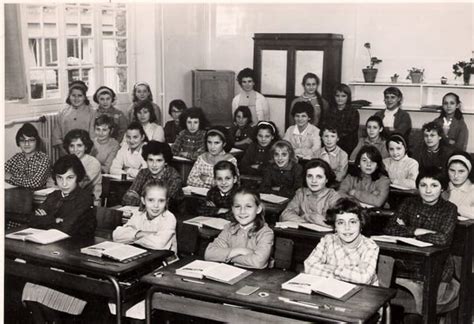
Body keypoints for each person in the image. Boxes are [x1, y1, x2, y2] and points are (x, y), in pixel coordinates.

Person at [23, 155, 99, 323]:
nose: (64, 183)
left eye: (69, 178)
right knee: (27, 286)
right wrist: (54, 220)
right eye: (60, 178)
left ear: (78, 177)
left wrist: (47, 219)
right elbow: (31, 219)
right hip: (52, 253)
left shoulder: (84, 198)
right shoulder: (54, 196)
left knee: (34, 290)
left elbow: (68, 228)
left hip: (74, 263)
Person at [385, 167, 459, 317]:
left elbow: (443, 239)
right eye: (423, 185)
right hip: (407, 261)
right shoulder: (409, 203)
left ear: (443, 187)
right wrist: (417, 231)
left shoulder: (449, 209)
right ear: (418, 186)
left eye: (434, 185)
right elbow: (390, 229)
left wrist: (406, 230)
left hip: (436, 265)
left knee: (424, 304)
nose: (428, 190)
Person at [304, 197, 379, 285]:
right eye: (341, 222)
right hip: (333, 289)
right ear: (335, 226)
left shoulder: (370, 246)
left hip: (364, 294)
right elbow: (309, 266)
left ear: (361, 224)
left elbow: (363, 278)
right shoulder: (327, 241)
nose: (347, 228)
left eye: (353, 222)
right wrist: (349, 273)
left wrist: (331, 268)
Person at [204, 187, 274, 269]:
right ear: (232, 209)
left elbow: (258, 262)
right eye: (237, 206)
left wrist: (226, 256)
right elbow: (209, 253)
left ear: (258, 209)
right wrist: (240, 251)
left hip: (255, 279)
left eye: (248, 206)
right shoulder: (229, 228)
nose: (242, 211)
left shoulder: (265, 233)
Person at [113, 180, 177, 253]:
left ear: (166, 202)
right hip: (141, 255)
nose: (156, 205)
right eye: (151, 200)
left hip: (165, 261)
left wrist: (132, 238)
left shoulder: (169, 218)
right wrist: (141, 233)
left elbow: (158, 244)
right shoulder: (139, 215)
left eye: (161, 201)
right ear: (143, 200)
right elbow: (116, 236)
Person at [122, 141, 183, 209]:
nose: (154, 165)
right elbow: (128, 197)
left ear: (166, 162)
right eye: (150, 160)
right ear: (146, 160)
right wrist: (146, 202)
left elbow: (163, 204)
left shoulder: (174, 178)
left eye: (159, 160)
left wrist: (140, 200)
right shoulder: (143, 173)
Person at [280, 159, 341, 227]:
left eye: (319, 177)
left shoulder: (333, 196)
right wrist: (307, 220)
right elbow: (285, 215)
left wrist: (306, 217)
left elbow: (336, 223)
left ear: (326, 179)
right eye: (309, 176)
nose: (313, 181)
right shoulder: (301, 193)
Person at [52, 81, 96, 156]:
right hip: (66, 152)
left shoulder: (91, 112)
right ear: (69, 96)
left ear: (84, 97)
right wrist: (63, 150)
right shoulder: (63, 112)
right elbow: (57, 135)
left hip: (85, 152)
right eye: (73, 95)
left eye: (80, 96)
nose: (76, 99)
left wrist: (87, 152)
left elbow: (93, 137)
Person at [5, 123, 51, 189]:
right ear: (18, 142)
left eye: (31, 140)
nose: (26, 144)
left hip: (37, 197)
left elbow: (35, 182)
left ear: (37, 141)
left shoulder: (43, 159)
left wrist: (11, 177)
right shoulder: (17, 157)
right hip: (17, 193)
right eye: (22, 140)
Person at [64, 129, 102, 206]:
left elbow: (79, 184)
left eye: (79, 145)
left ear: (86, 147)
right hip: (68, 198)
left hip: (90, 202)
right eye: (71, 146)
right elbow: (52, 180)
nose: (75, 150)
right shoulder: (65, 160)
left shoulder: (93, 163)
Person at [322, 84, 359, 156]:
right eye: (337, 96)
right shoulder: (329, 110)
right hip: (331, 141)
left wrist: (337, 138)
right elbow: (325, 126)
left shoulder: (353, 112)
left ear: (348, 97)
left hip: (347, 143)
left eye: (343, 96)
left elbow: (351, 130)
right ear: (334, 96)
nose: (340, 98)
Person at [442, 151, 474, 219]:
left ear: (469, 172)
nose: (456, 176)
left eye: (461, 171)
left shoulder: (472, 190)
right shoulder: (442, 187)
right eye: (452, 170)